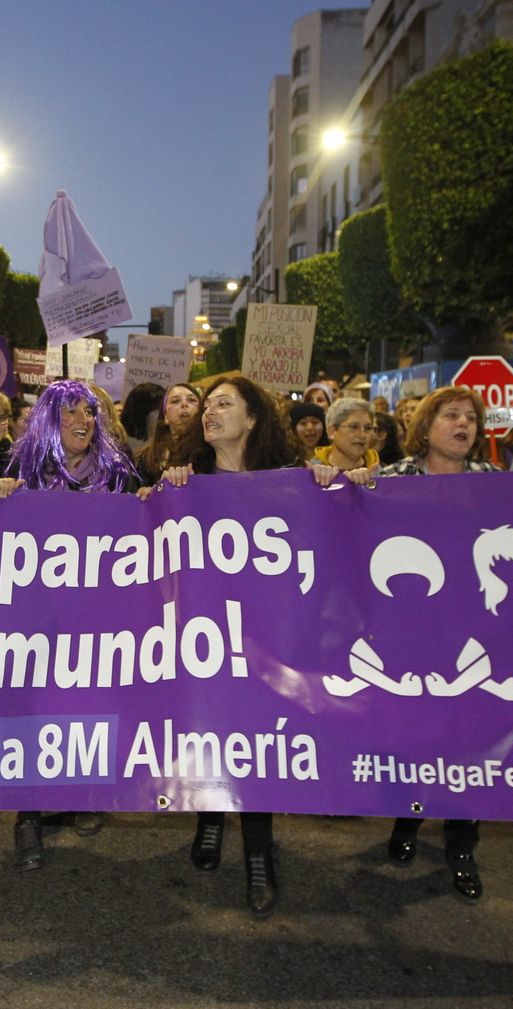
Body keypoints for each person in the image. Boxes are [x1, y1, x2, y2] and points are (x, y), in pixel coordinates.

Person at [156, 374, 299, 916]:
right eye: (206, 405)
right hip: (206, 636)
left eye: (224, 404)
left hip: (266, 639)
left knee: (256, 744)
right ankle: (210, 819)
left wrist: (334, 481)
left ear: (253, 418)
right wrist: (162, 495)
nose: (209, 412)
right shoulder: (188, 480)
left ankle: (260, 855)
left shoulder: (290, 482)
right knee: (212, 730)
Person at [1, 379, 139, 873]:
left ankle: (84, 794)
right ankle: (28, 817)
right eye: (72, 414)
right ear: (48, 422)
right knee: (34, 715)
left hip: (98, 621)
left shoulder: (119, 475)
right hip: (36, 622)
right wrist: (0, 495)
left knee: (88, 708)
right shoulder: (23, 473)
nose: (84, 422)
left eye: (91, 413)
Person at [376, 386, 497, 901]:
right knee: (418, 729)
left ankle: (462, 842)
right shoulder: (394, 478)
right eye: (452, 415)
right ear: (426, 427)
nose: (464, 424)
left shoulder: (494, 481)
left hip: (472, 628)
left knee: (469, 734)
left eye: (470, 417)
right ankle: (407, 819)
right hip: (412, 632)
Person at [310, 397, 378, 481]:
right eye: (354, 427)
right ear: (332, 431)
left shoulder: (383, 474)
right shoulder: (310, 472)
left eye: (368, 428)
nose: (362, 435)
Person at [119, 382, 166, 454]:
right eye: (158, 409)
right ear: (142, 413)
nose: (165, 414)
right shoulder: (119, 447)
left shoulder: (169, 445)